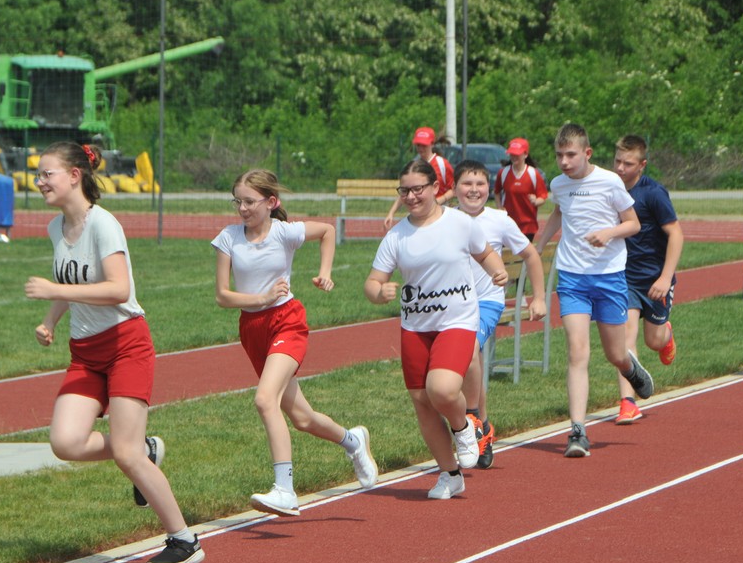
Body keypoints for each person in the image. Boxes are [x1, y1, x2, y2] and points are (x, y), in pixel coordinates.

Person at [25, 141, 203, 563]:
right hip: (85, 352)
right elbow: (72, 280)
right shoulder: (56, 228)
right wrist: (52, 319)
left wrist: (55, 292)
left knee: (125, 455)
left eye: (47, 173)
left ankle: (184, 540)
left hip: (126, 344)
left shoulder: (103, 224)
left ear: (74, 176)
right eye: (38, 174)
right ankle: (143, 447)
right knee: (65, 443)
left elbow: (118, 290)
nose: (39, 181)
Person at [212, 169, 377, 517]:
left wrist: (326, 272)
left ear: (271, 203)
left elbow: (328, 231)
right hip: (252, 328)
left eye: (249, 202)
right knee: (302, 418)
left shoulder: (284, 232)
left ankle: (285, 489)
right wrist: (259, 298)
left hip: (287, 321)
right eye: (237, 201)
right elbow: (223, 296)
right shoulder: (228, 237)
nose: (242, 208)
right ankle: (353, 441)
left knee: (264, 399)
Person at [365, 159, 508, 499]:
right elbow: (373, 281)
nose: (412, 197)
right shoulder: (397, 235)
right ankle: (450, 474)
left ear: (434, 189)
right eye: (405, 191)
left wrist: (497, 272)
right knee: (421, 401)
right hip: (416, 327)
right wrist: (379, 292)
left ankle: (465, 427)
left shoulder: (460, 223)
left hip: (457, 321)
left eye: (418, 189)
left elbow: (485, 253)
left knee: (441, 390)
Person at [534, 123, 654, 458]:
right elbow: (560, 212)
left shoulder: (609, 181)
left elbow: (634, 224)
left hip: (609, 277)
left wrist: (608, 233)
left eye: (570, 154)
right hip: (572, 278)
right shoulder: (558, 184)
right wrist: (540, 243)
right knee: (576, 351)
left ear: (587, 153)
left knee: (615, 354)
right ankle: (577, 431)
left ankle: (631, 369)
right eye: (559, 155)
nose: (564, 162)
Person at [455, 160, 547, 468]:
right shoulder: (444, 219)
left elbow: (531, 254)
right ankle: (484, 425)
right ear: (454, 189)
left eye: (480, 184)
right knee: (462, 366)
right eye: (467, 183)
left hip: (487, 303)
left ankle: (473, 422)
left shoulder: (500, 220)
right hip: (451, 306)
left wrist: (538, 297)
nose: (474, 190)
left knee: (470, 350)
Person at [611, 135, 683, 425]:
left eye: (627, 163)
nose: (620, 168)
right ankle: (627, 401)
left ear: (642, 165)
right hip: (624, 278)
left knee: (653, 340)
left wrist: (665, 278)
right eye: (617, 161)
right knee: (624, 337)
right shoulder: (611, 189)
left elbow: (676, 234)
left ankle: (666, 335)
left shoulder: (653, 193)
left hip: (655, 280)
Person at [384, 127, 455, 228]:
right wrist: (391, 213)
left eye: (424, 145)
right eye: (418, 145)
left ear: (432, 144)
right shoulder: (414, 166)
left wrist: (438, 201)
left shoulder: (442, 164)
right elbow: (406, 191)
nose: (420, 148)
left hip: (441, 214)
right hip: (421, 215)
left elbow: (453, 189)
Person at [495, 137, 549, 241]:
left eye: (517, 154)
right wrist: (499, 208)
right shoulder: (503, 173)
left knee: (524, 256)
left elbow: (543, 196)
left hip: (528, 226)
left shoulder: (533, 174)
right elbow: (496, 192)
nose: (514, 156)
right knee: (506, 255)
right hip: (507, 223)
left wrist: (536, 201)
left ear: (525, 154)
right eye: (512, 154)